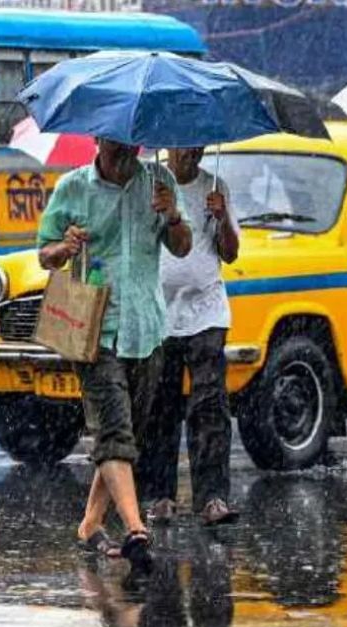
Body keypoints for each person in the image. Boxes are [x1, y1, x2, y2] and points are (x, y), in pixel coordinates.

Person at [37, 138, 192, 573]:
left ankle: (89, 523)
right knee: (113, 431)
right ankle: (136, 530)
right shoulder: (72, 188)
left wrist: (173, 215)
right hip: (95, 330)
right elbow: (44, 253)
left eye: (130, 141)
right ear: (98, 140)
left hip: (146, 326)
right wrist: (63, 248)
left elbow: (182, 246)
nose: (124, 149)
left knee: (125, 437)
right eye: (113, 140)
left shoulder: (159, 182)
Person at [140, 147, 241, 526]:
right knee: (159, 408)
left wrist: (223, 217)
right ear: (170, 147)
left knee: (209, 405)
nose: (192, 154)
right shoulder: (149, 184)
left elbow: (230, 254)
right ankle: (160, 495)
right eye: (184, 146)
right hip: (159, 313)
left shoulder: (216, 187)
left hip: (207, 311)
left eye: (197, 146)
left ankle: (212, 497)